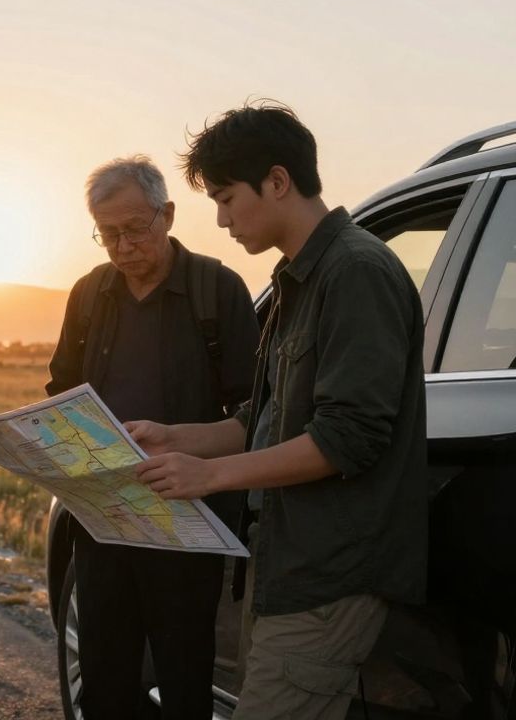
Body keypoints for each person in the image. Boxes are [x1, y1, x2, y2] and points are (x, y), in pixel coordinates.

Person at [131, 103, 428, 720]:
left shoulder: (356, 272)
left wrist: (210, 476)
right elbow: (260, 421)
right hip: (285, 569)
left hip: (329, 575)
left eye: (226, 199)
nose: (221, 219)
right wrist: (175, 439)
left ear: (277, 181)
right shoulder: (301, 277)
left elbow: (348, 437)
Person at [46, 155, 260, 719]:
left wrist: (183, 444)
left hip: (188, 522)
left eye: (135, 229)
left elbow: (258, 411)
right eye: (107, 234)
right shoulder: (88, 295)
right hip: (104, 518)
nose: (122, 246)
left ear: (166, 215)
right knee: (105, 678)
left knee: (185, 678)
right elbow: (62, 390)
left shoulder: (218, 290)